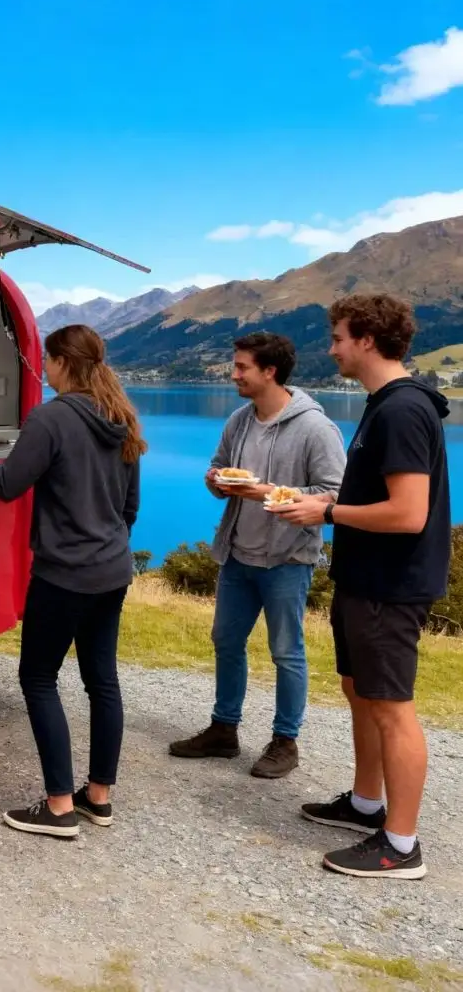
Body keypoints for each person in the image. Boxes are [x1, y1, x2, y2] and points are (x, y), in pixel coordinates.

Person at [0, 324, 146, 840]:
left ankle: (57, 809)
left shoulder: (50, 418)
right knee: (102, 682)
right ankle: (98, 799)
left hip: (64, 575)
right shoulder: (121, 418)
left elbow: (6, 484)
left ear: (59, 363)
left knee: (38, 678)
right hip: (112, 571)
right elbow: (129, 510)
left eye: (46, 360)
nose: (43, 368)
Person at [270, 294, 450, 880]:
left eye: (339, 337)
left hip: (389, 585)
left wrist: (326, 516)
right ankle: (366, 805)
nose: (331, 347)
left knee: (392, 708)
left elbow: (408, 514)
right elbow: (376, 498)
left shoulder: (401, 411)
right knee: (358, 691)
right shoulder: (385, 404)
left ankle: (400, 845)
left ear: (367, 340)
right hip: (364, 577)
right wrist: (328, 500)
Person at [169, 332, 346, 778]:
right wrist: (216, 480)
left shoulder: (316, 428)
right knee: (226, 642)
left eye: (242, 367)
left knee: (286, 652)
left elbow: (335, 497)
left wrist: (262, 491)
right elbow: (219, 468)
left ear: (270, 371)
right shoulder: (239, 420)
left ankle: (285, 741)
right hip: (237, 555)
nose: (234, 374)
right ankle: (223, 731)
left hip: (287, 560)